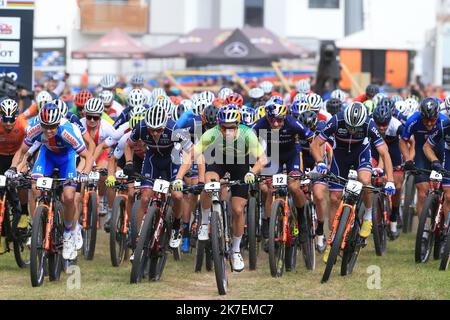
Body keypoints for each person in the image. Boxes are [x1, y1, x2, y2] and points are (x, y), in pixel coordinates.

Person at [8, 102, 94, 260]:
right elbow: (22, 151)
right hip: (46, 156)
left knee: (68, 197)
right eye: (45, 126)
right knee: (34, 188)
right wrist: (13, 168)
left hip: (66, 159)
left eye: (52, 127)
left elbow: (88, 156)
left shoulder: (67, 131)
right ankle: (38, 227)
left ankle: (68, 234)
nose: (48, 131)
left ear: (58, 123)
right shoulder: (35, 129)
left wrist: (84, 173)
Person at [310, 102, 395, 262]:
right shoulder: (336, 120)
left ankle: (368, 215)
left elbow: (384, 152)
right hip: (340, 156)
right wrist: (320, 161)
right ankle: (332, 239)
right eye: (350, 127)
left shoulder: (369, 124)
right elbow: (315, 144)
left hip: (360, 154)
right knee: (334, 197)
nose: (352, 131)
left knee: (364, 180)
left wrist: (390, 180)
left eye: (356, 128)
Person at [194, 104, 267, 271]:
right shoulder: (211, 133)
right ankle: (205, 223)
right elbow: (194, 152)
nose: (228, 132)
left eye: (232, 128)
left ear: (238, 125)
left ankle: (235, 250)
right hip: (217, 161)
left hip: (240, 165)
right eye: (224, 128)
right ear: (219, 125)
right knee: (209, 184)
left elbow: (262, 159)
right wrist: (198, 173)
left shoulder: (247, 134)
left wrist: (252, 173)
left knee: (238, 210)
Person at [124, 102, 193, 259]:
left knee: (177, 196)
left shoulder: (174, 128)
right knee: (145, 197)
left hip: (173, 160)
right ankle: (140, 240)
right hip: (152, 159)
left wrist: (180, 177)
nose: (155, 133)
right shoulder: (141, 127)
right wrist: (128, 163)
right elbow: (128, 146)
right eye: (152, 130)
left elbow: (190, 153)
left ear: (164, 125)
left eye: (159, 130)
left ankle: (176, 226)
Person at [252, 101, 314, 257]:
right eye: (271, 119)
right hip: (273, 157)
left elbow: (312, 139)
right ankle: (268, 224)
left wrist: (319, 162)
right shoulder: (260, 124)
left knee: (294, 187)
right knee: (268, 188)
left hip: (292, 155)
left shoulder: (293, 123)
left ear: (285, 117)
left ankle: (302, 220)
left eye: (279, 119)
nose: (275, 123)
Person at [400, 97, 447, 221]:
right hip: (421, 153)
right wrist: (408, 159)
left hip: (441, 153)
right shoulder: (413, 121)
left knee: (445, 191)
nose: (429, 124)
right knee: (422, 192)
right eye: (426, 120)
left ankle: (442, 223)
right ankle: (424, 229)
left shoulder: (444, 121)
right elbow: (403, 141)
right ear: (421, 115)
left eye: (432, 120)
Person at [371, 104, 404, 238]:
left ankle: (394, 216)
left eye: (385, 124)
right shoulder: (370, 124)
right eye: (379, 124)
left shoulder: (396, 125)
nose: (382, 127)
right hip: (376, 148)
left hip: (394, 149)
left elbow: (409, 141)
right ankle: (375, 218)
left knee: (397, 185)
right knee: (373, 181)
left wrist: (408, 160)